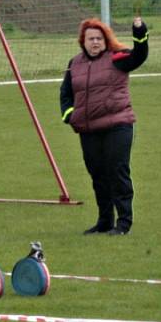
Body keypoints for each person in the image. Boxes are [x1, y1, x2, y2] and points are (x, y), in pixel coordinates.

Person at [60, 16, 149, 236]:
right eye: (91, 39)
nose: (95, 42)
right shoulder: (74, 64)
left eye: (99, 38)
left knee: (117, 172)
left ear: (105, 40)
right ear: (83, 41)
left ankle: (124, 223)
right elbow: (66, 94)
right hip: (89, 130)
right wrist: (70, 115)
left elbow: (139, 55)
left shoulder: (117, 58)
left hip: (118, 126)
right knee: (98, 175)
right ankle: (105, 222)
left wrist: (139, 31)